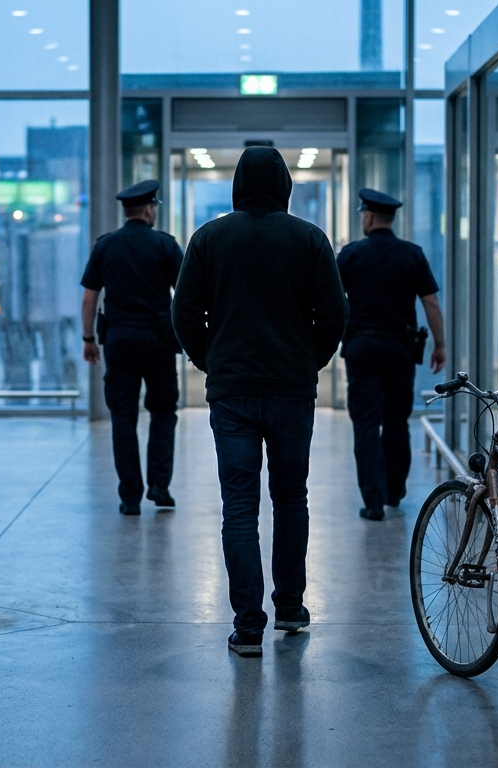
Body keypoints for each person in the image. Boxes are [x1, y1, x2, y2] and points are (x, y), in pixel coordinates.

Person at [172, 147, 348, 658]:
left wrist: (214, 363)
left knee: (240, 507)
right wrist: (307, 361)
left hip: (232, 395)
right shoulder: (310, 239)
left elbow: (184, 316)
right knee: (291, 498)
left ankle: (248, 625)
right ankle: (290, 607)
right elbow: (334, 316)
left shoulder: (208, 239)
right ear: (286, 186)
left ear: (237, 185)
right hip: (293, 391)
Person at [337, 189, 447, 521]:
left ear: (368, 217)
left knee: (366, 425)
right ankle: (394, 491)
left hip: (361, 350)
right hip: (400, 351)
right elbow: (430, 303)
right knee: (397, 421)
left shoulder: (350, 254)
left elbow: (327, 296)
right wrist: (439, 345)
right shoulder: (411, 255)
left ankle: (372, 501)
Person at [80, 179, 184, 516]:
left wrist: (88, 339)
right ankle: (160, 486)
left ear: (127, 211)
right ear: (150, 208)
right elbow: (184, 296)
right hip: (158, 341)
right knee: (163, 411)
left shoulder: (106, 246)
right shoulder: (165, 246)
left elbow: (90, 297)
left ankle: (130, 497)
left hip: (120, 339)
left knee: (123, 417)